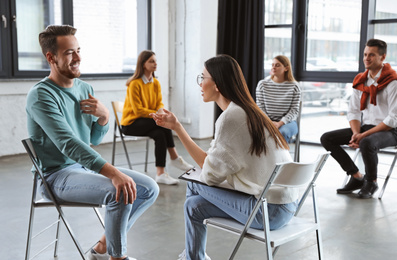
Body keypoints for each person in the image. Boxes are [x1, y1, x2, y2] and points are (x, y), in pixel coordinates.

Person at [26, 25, 159, 260]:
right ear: (51, 57)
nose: (78, 57)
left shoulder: (84, 88)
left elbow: (92, 140)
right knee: (119, 190)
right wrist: (113, 173)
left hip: (82, 169)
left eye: (78, 50)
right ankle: (117, 257)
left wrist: (104, 117)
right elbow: (68, 143)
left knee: (149, 188)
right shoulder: (41, 95)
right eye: (69, 53)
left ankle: (100, 248)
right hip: (55, 176)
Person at [151, 55, 299, 260]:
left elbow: (210, 175)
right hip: (287, 206)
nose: (200, 83)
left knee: (193, 183)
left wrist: (177, 127)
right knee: (193, 206)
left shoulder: (231, 118)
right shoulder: (252, 112)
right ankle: (193, 257)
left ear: (218, 84)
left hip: (266, 211)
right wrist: (177, 126)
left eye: (203, 77)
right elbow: (214, 162)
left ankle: (192, 258)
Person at [321, 39, 397, 199]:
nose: (366, 58)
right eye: (365, 54)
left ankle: (371, 182)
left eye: (371, 55)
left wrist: (362, 137)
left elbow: (393, 119)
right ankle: (356, 176)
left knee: (367, 142)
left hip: (390, 131)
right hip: (366, 127)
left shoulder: (393, 82)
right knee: (327, 138)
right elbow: (354, 112)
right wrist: (357, 133)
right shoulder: (360, 81)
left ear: (383, 57)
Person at [121, 50, 193, 185]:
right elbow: (137, 110)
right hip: (131, 124)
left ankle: (160, 173)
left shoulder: (156, 83)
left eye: (155, 61)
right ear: (143, 64)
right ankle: (175, 157)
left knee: (160, 133)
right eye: (151, 61)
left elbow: (159, 103)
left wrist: (160, 111)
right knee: (163, 124)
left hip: (148, 122)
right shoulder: (135, 84)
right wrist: (157, 114)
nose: (155, 64)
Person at [256, 55, 301, 143]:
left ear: (286, 68)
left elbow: (294, 110)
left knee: (282, 132)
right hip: (266, 121)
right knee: (256, 132)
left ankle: (279, 157)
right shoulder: (262, 84)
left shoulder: (294, 86)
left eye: (277, 65)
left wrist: (280, 123)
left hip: (288, 123)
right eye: (272, 65)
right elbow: (260, 107)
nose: (273, 67)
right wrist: (269, 122)